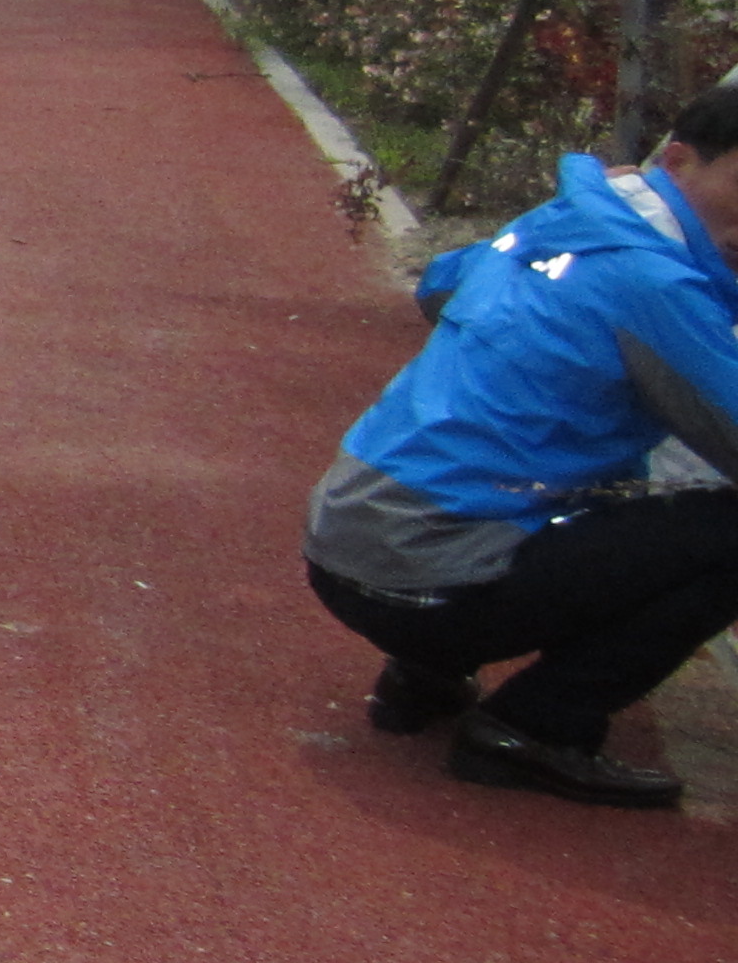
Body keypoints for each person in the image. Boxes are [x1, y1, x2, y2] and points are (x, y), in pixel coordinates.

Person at [304, 83, 738, 809]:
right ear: (681, 159)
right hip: (428, 577)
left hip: (343, 541)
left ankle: (427, 673)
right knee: (721, 528)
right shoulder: (652, 281)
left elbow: (441, 286)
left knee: (559, 466)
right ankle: (536, 728)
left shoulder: (575, 220)